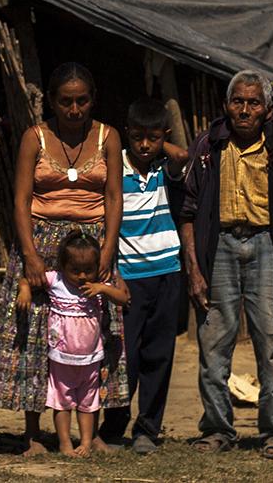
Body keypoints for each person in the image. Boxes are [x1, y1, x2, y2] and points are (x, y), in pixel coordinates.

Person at [0, 62, 130, 454]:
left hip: (91, 245)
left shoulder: (108, 137)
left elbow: (114, 196)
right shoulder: (35, 138)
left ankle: (89, 434)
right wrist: (29, 255)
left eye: (82, 101)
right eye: (66, 102)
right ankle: (33, 434)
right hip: (41, 242)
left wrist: (109, 251)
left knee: (92, 335)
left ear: (92, 100)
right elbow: (21, 199)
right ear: (51, 101)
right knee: (33, 335)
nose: (74, 109)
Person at [177, 70, 273, 460]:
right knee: (214, 345)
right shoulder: (208, 146)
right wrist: (194, 270)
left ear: (267, 110)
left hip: (266, 246)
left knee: (271, 346)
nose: (244, 109)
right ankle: (218, 429)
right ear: (226, 105)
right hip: (217, 246)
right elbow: (186, 210)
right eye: (238, 101)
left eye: (254, 103)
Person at [100, 96, 189, 453]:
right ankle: (115, 424)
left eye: (152, 138)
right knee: (125, 356)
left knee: (159, 353)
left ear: (164, 136)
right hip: (130, 277)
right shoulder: (116, 167)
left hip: (167, 272)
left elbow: (182, 156)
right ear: (126, 134)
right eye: (137, 137)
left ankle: (147, 429)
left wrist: (158, 141)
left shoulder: (165, 167)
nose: (144, 145)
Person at [44, 230, 131, 456]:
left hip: (91, 358)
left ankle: (85, 442)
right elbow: (29, 279)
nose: (82, 276)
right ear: (63, 267)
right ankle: (65, 444)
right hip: (61, 357)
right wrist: (24, 290)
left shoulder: (98, 287)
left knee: (88, 403)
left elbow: (123, 298)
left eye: (88, 270)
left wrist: (102, 288)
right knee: (61, 402)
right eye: (75, 270)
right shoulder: (56, 281)